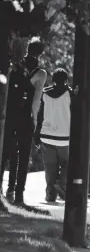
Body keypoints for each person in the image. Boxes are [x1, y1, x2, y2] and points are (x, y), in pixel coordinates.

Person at [0, 38, 47, 204]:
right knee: (23, 156)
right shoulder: (40, 73)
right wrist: (34, 119)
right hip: (25, 117)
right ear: (42, 52)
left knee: (6, 152)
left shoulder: (15, 66)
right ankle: (16, 193)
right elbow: (36, 100)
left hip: (10, 115)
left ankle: (2, 188)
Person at [35, 68, 72, 202]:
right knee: (69, 164)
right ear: (66, 80)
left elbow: (39, 116)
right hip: (65, 138)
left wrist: (37, 135)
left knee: (50, 167)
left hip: (46, 136)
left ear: (53, 80)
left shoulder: (44, 93)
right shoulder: (70, 94)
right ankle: (61, 184)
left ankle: (50, 194)